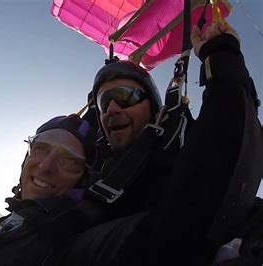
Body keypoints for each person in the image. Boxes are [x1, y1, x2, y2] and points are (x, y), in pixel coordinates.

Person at [46, 21, 262, 265]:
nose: (113, 109)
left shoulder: (178, 152)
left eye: (125, 96)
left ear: (154, 110)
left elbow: (227, 142)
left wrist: (222, 55)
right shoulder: (89, 165)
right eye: (105, 102)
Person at [0, 114, 97, 266]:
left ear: (84, 179)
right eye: (41, 148)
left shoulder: (58, 251)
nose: (46, 166)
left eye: (70, 160)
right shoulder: (16, 221)